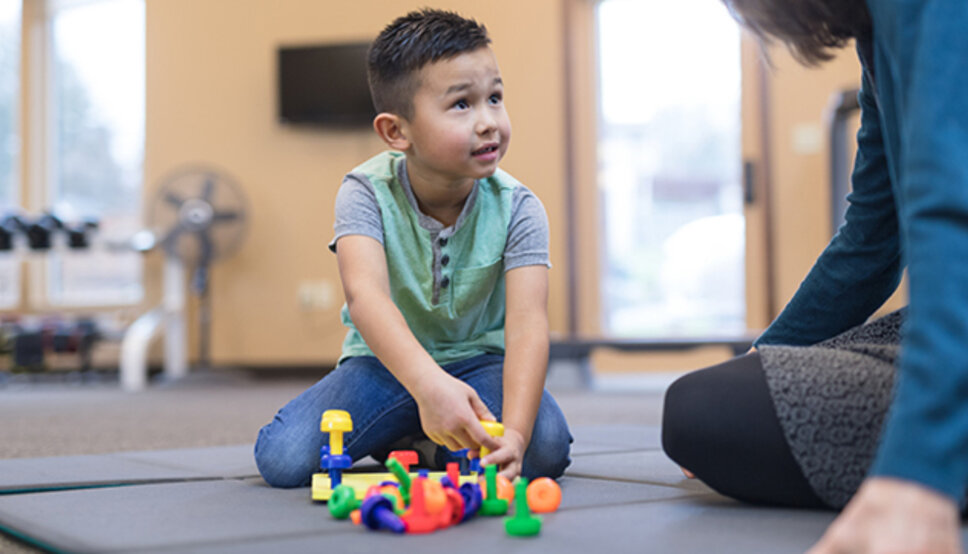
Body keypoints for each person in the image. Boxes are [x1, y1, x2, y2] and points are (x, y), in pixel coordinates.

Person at [662, 1, 967, 552]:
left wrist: (918, 475)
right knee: (719, 394)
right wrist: (768, 352)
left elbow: (952, 214)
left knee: (707, 411)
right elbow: (870, 242)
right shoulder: (877, 38)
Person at [254, 8, 571, 488]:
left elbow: (528, 325)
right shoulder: (363, 192)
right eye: (461, 105)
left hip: (481, 364)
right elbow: (366, 299)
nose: (489, 122)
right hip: (383, 365)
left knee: (544, 447)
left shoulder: (520, 207)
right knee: (283, 457)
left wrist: (518, 436)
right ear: (396, 132)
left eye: (494, 98)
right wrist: (427, 385)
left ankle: (420, 441)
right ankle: (423, 428)